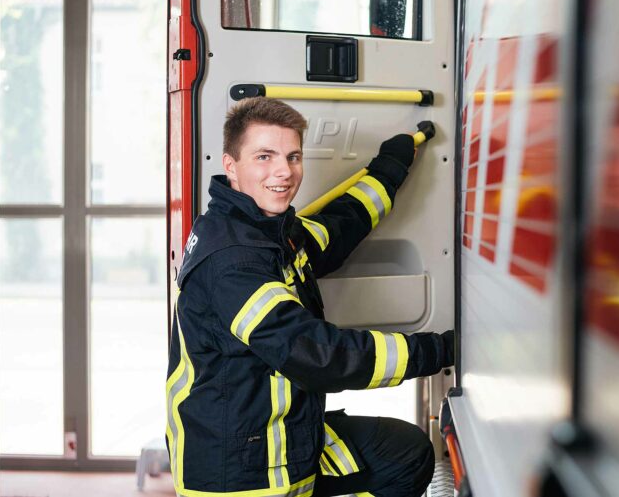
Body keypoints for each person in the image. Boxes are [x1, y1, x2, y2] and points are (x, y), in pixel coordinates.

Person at [166, 97, 454, 497]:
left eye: (293, 156)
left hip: (277, 429)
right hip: (241, 471)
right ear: (231, 166)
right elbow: (321, 356)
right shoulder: (232, 262)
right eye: (264, 157)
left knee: (406, 453)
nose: (284, 172)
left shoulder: (270, 232)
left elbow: (341, 228)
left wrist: (391, 166)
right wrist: (440, 350)